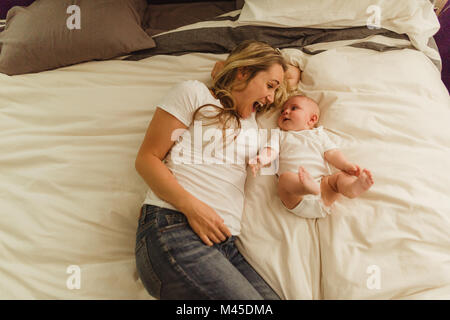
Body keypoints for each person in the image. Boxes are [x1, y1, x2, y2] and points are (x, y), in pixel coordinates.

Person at [134, 40, 290, 300]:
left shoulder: (253, 125)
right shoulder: (194, 93)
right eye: (270, 85)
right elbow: (146, 159)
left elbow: (292, 82)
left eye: (276, 90)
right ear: (243, 72)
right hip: (174, 226)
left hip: (226, 245)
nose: (271, 97)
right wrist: (193, 209)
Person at [249, 94, 374, 219]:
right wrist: (262, 159)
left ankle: (351, 188)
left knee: (338, 178)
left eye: (294, 108)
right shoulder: (280, 134)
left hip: (323, 189)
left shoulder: (319, 134)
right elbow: (271, 150)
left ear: (312, 120)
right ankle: (305, 187)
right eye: (282, 111)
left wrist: (345, 165)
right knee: (285, 179)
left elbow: (332, 153)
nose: (285, 112)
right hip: (296, 198)